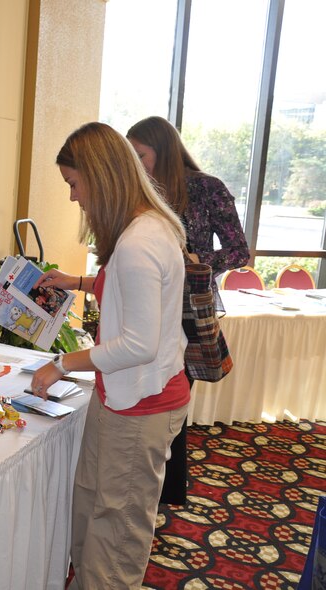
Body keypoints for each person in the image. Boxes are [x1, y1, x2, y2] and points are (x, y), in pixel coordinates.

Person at [30, 122, 189, 589]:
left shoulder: (139, 242)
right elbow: (129, 293)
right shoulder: (142, 229)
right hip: (122, 397)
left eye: (74, 185)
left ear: (99, 176)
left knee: (114, 539)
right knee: (92, 511)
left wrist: (61, 364)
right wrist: (76, 283)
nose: (74, 198)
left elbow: (138, 344)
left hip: (141, 405)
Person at [127, 115, 250, 506]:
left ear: (162, 150)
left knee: (170, 403)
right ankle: (152, 488)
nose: (136, 162)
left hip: (189, 309)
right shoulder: (140, 190)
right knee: (147, 399)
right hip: (145, 302)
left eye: (140, 154)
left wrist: (198, 259)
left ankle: (164, 493)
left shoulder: (207, 188)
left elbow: (239, 250)